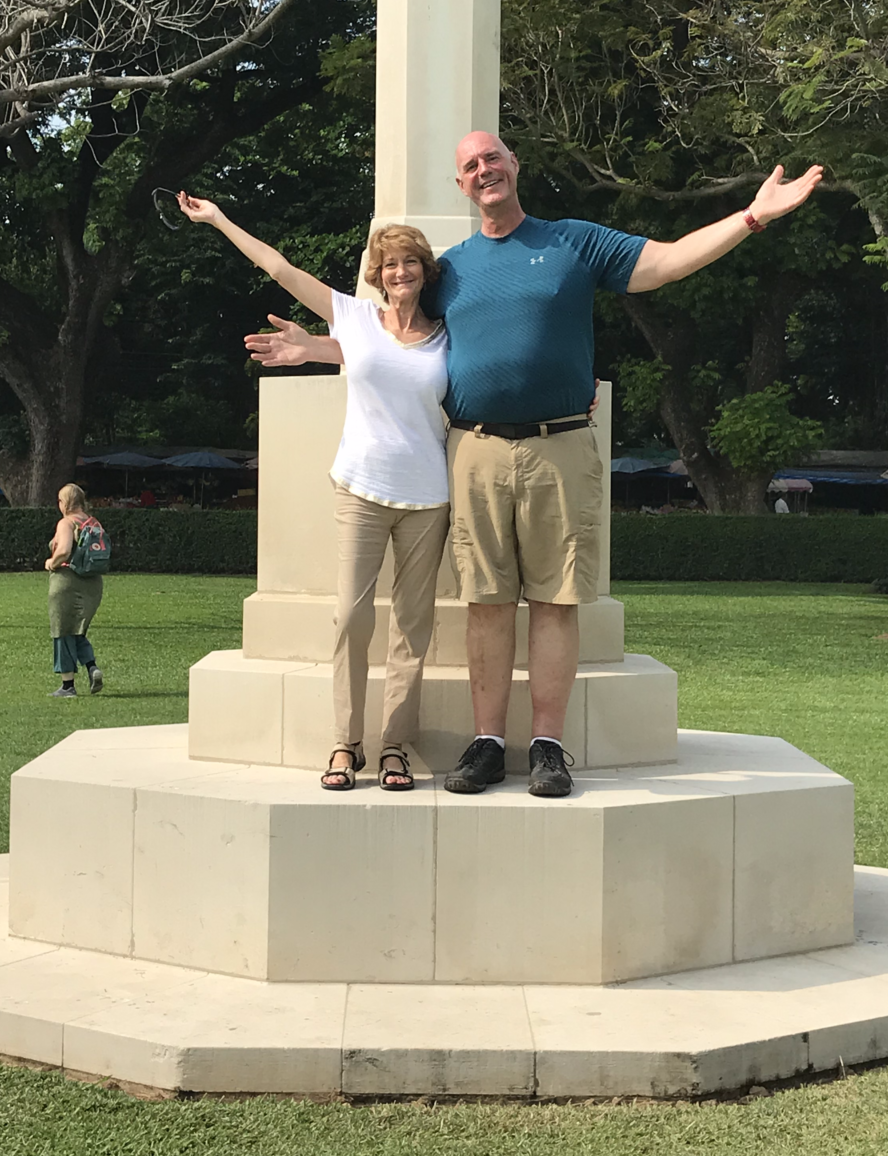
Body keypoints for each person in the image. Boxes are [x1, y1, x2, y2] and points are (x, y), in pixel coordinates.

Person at [248, 133, 823, 798]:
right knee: (486, 602)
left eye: (492, 158)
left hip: (562, 446)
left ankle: (548, 746)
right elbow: (392, 339)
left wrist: (752, 216)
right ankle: (488, 743)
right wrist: (315, 349)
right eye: (470, 165)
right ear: (461, 186)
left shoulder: (573, 241)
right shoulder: (450, 272)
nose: (483, 170)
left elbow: (665, 263)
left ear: (514, 167)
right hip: (476, 450)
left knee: (556, 599)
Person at [178, 192, 450, 793]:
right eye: (387, 266)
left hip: (430, 496)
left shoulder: (449, 338)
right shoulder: (354, 319)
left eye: (409, 263)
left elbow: (508, 366)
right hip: (362, 488)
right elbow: (279, 268)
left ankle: (396, 748)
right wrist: (220, 219)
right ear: (376, 277)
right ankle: (345, 743)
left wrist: (575, 384)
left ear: (424, 271)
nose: (398, 273)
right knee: (351, 620)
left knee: (412, 628)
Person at [45, 483, 105, 698]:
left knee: (61, 631)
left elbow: (64, 550)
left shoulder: (66, 522)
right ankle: (92, 667)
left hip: (67, 582)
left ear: (65, 503)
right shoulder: (93, 522)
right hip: (92, 584)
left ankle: (67, 685)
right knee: (77, 630)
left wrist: (51, 562)